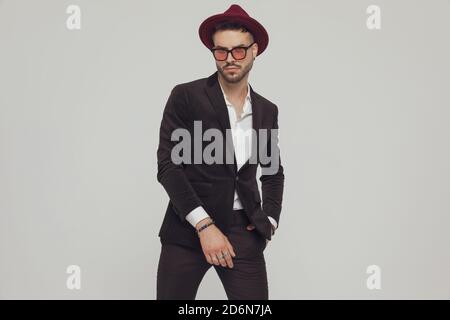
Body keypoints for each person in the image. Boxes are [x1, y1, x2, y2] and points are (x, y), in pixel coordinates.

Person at [156, 4, 284, 300]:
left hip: (244, 232)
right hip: (187, 230)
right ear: (213, 52)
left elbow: (273, 172)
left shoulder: (266, 110)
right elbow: (168, 167)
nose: (230, 59)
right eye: (221, 51)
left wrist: (269, 220)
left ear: (254, 51)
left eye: (239, 50)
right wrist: (204, 225)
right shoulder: (186, 96)